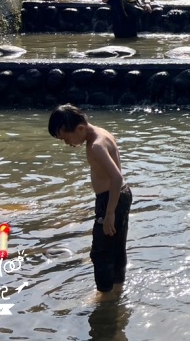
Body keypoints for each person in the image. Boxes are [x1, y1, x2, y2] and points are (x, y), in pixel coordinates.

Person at [48, 104, 132, 293]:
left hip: (110, 199)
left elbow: (116, 177)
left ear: (80, 128)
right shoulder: (101, 133)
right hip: (122, 194)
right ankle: (118, 287)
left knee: (100, 252)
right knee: (117, 247)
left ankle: (104, 294)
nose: (67, 143)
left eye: (67, 138)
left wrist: (109, 212)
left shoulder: (96, 146)